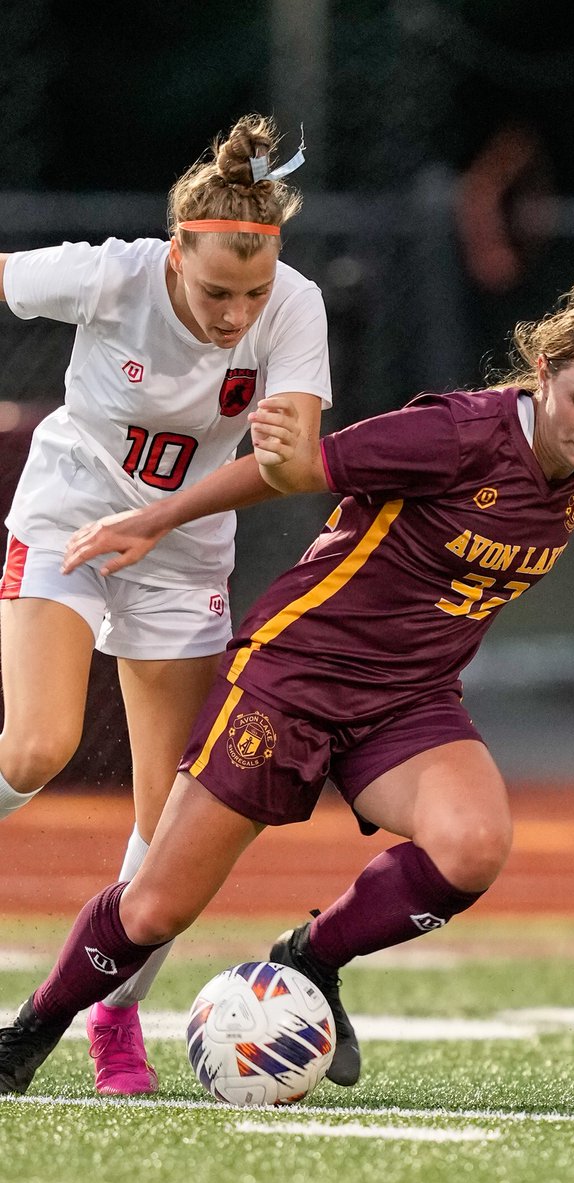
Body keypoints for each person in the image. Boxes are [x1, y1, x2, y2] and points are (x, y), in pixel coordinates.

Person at [0, 283, 574, 1097]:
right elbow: (295, 469)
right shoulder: (453, 434)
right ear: (542, 371)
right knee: (154, 914)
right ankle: (30, 1028)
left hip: (411, 700)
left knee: (473, 846)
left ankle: (312, 956)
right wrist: (158, 519)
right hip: (295, 680)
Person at [0, 114, 332, 1096]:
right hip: (70, 509)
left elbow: (296, 466)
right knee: (36, 747)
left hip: (183, 551)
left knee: (175, 828)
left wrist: (264, 463)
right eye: (216, 293)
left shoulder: (295, 305)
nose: (237, 317)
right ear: (174, 252)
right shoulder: (113, 273)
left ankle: (113, 1017)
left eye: (253, 296)